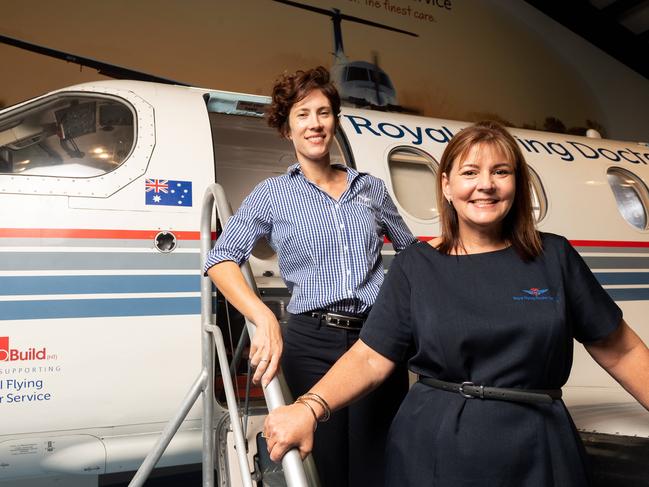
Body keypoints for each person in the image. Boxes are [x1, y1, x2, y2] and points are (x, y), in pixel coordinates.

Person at [263, 120, 649, 486]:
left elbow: (623, 350)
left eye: (501, 171)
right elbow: (370, 357)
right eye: (470, 173)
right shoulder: (417, 266)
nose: (486, 185)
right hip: (434, 447)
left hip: (539, 444)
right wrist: (308, 407)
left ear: (517, 183)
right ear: (446, 186)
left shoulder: (555, 258)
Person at [204, 66, 417, 487]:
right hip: (312, 342)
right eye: (302, 114)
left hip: (377, 337)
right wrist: (263, 317)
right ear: (287, 128)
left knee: (381, 463)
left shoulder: (370, 188)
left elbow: (412, 255)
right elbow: (221, 260)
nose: (314, 124)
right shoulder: (272, 194)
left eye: (323, 112)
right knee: (328, 467)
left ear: (335, 120)